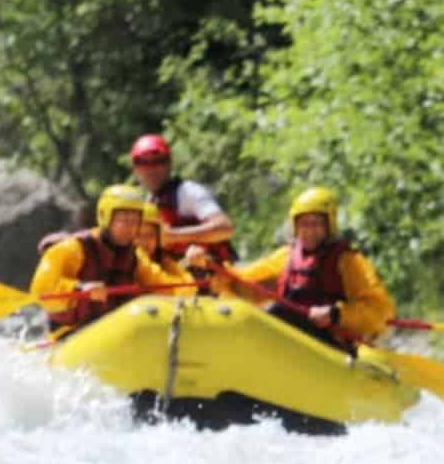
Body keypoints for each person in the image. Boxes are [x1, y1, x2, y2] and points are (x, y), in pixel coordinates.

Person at [188, 187, 394, 347]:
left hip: (331, 344)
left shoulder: (349, 262)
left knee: (279, 312)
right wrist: (209, 266)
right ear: (296, 227)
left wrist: (336, 314)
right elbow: (240, 285)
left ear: (329, 225)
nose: (309, 231)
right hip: (291, 341)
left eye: (316, 224)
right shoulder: (285, 257)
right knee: (275, 312)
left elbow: (379, 310)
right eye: (304, 224)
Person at [29, 183, 190, 331]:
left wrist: (189, 276)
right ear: (104, 216)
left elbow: (166, 286)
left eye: (135, 221)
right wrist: (79, 288)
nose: (130, 227)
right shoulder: (74, 248)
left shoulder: (135, 257)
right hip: (69, 333)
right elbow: (42, 290)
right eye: (123, 220)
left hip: (112, 331)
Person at [128, 134, 235, 262]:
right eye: (143, 163)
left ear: (169, 163)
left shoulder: (189, 191)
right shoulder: (149, 201)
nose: (151, 169)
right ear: (135, 169)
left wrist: (174, 235)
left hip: (214, 271)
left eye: (158, 161)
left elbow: (225, 228)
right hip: (177, 276)